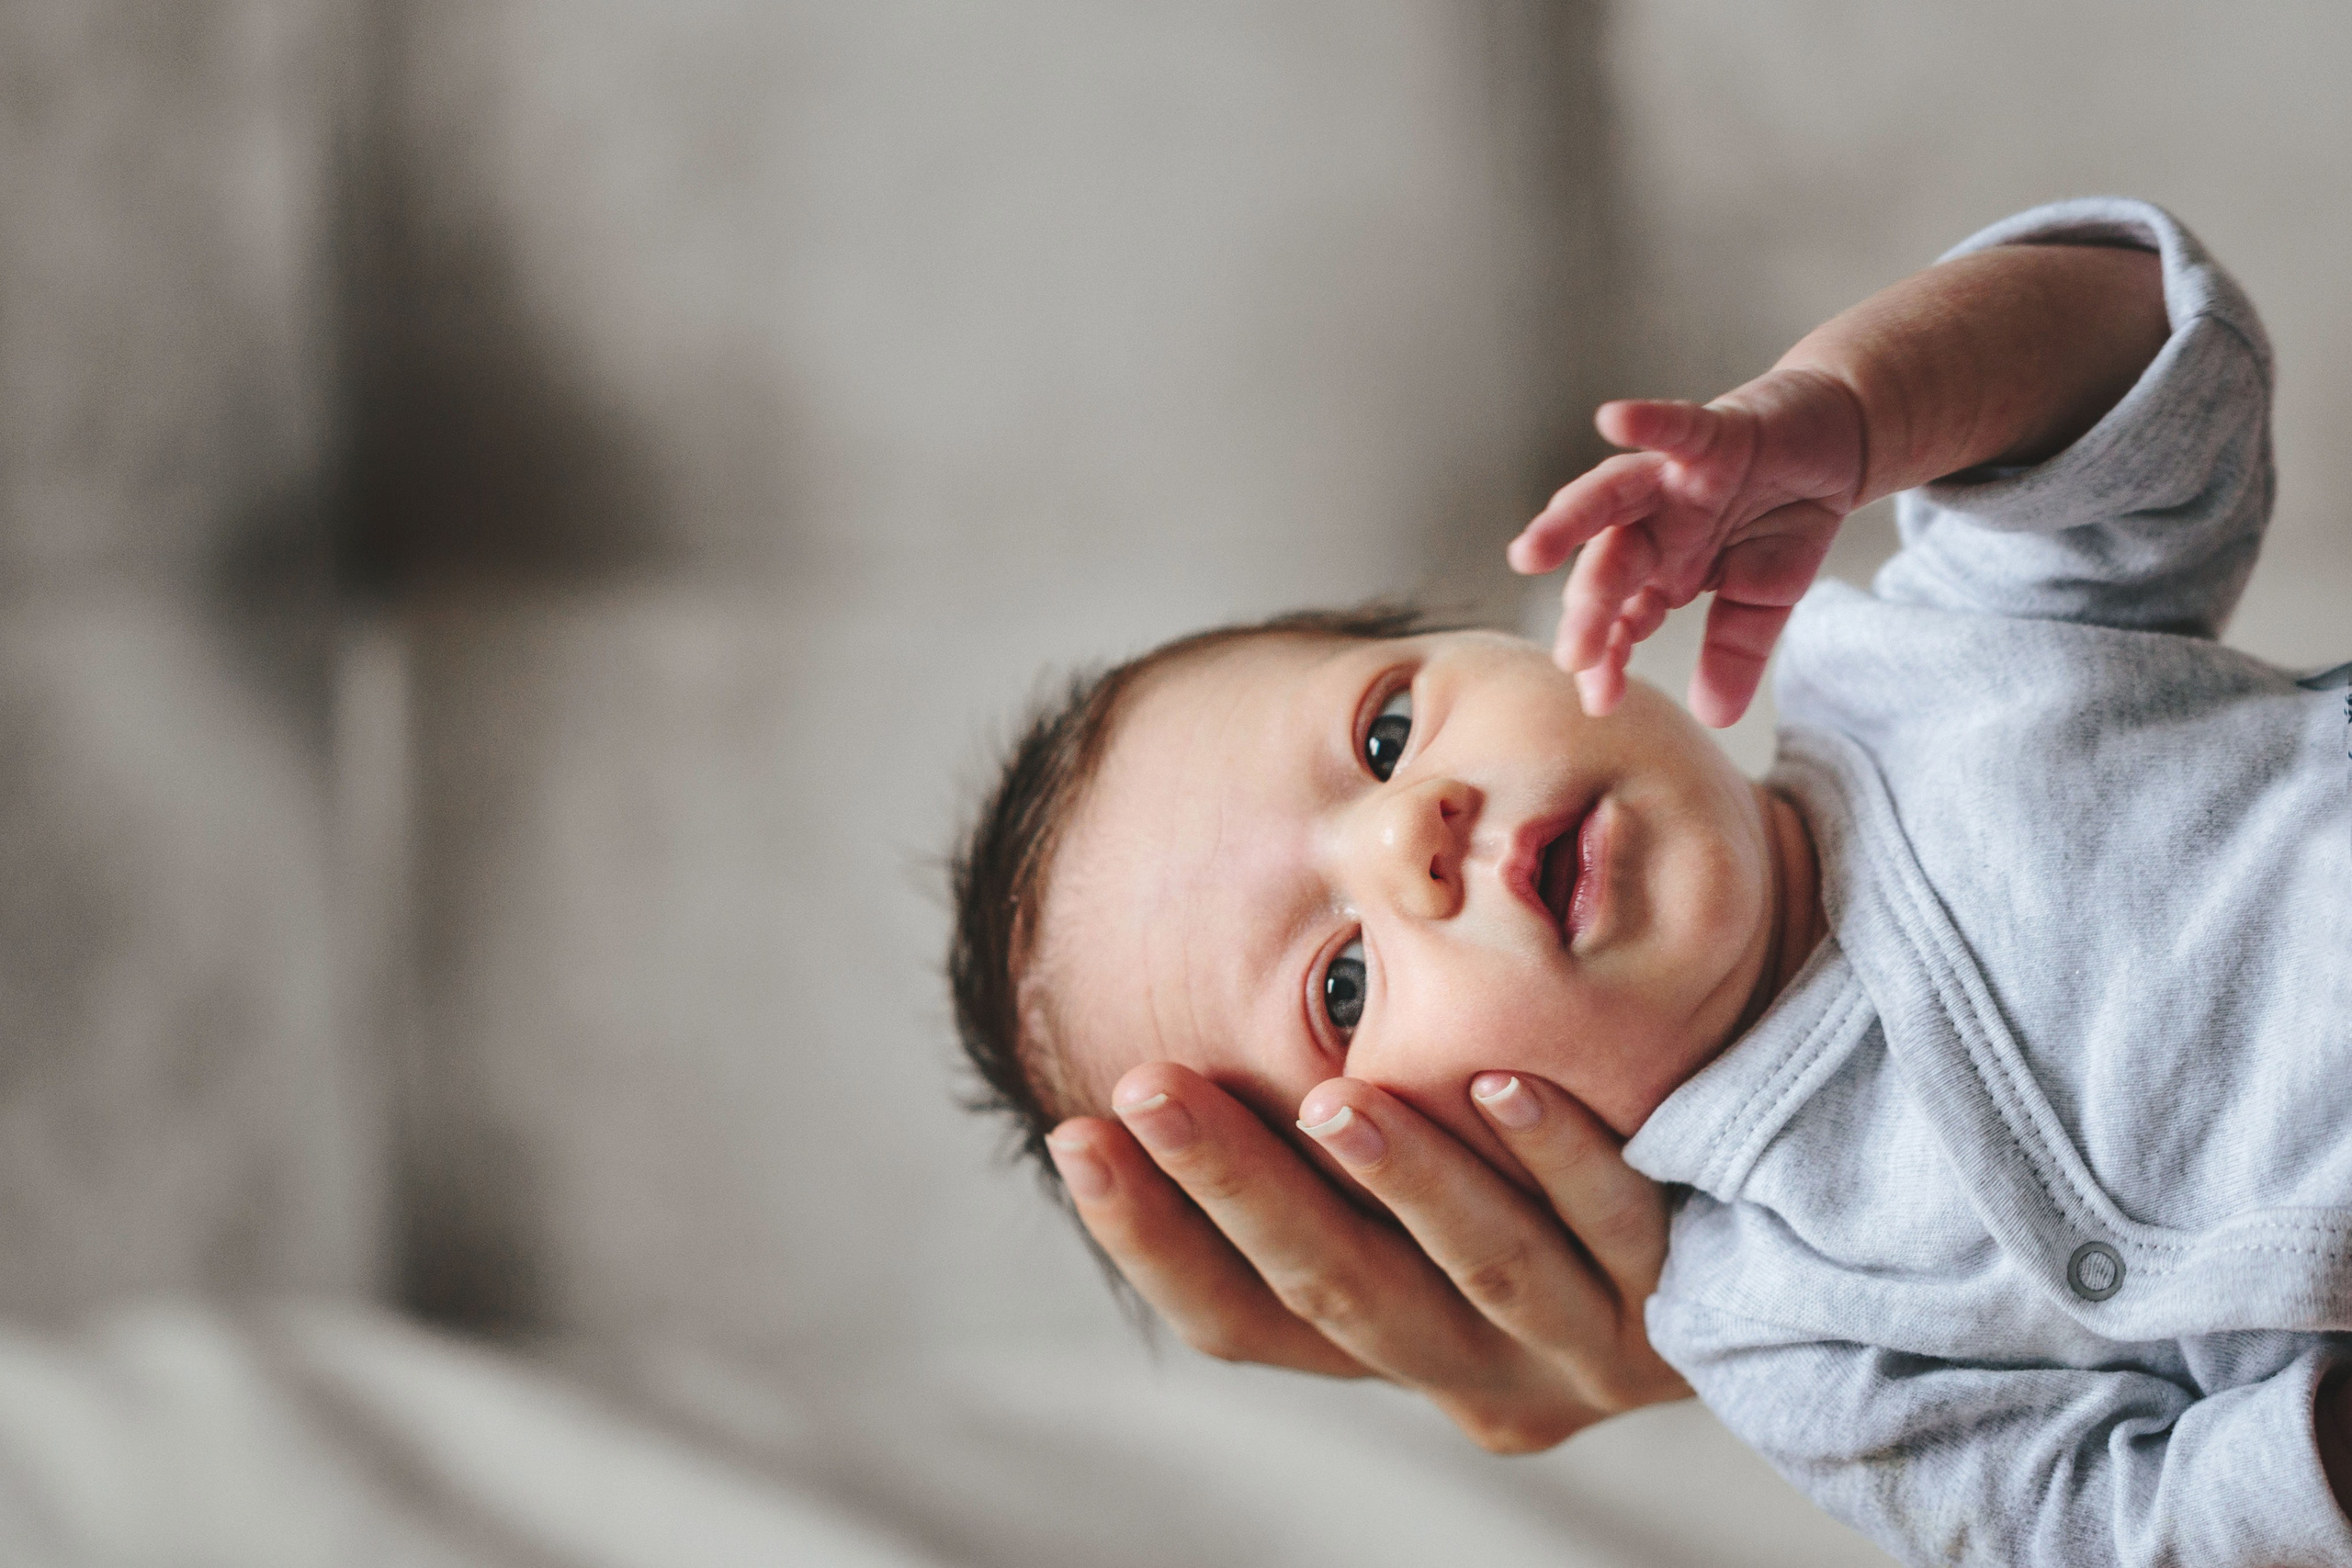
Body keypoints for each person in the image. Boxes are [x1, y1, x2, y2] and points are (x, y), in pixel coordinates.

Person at [948, 197, 2352, 1566]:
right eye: (1345, 982)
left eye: (1383, 735)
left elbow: (2152, 350)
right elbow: (2121, 1529)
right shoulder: (1780, 1325)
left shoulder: (1942, 667)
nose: (1410, 838)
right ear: (1434, 1198)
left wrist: (1852, 410)